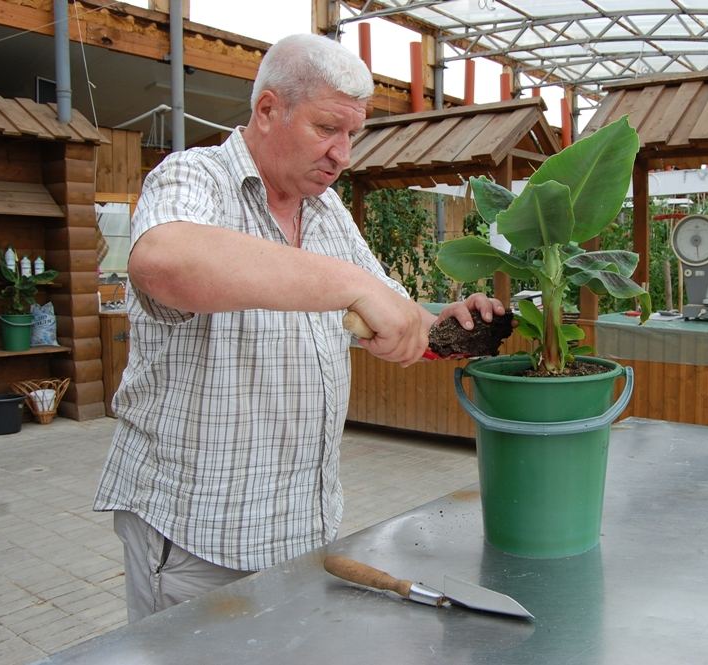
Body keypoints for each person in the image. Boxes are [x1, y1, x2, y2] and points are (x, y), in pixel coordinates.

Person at [93, 33, 503, 622]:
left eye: (352, 135)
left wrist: (447, 327)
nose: (343, 154)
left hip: (302, 528)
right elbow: (164, 262)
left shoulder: (327, 213)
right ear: (268, 110)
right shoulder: (194, 176)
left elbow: (388, 314)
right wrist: (353, 285)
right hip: (198, 532)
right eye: (327, 128)